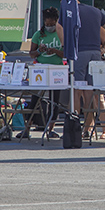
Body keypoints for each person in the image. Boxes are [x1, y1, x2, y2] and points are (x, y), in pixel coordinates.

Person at [59, 0, 105, 140]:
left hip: (79, 53)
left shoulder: (68, 11)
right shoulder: (95, 11)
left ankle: (75, 129)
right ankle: (99, 130)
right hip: (96, 54)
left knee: (77, 92)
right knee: (94, 93)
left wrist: (65, 46)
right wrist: (103, 48)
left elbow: (59, 27)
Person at [24, 7, 63, 139]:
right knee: (35, 99)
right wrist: (40, 51)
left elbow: (66, 53)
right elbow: (31, 54)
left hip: (57, 70)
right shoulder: (38, 34)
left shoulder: (61, 33)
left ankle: (50, 128)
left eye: (52, 24)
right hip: (40, 69)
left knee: (54, 101)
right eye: (47, 24)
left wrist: (55, 51)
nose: (50, 27)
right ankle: (27, 128)